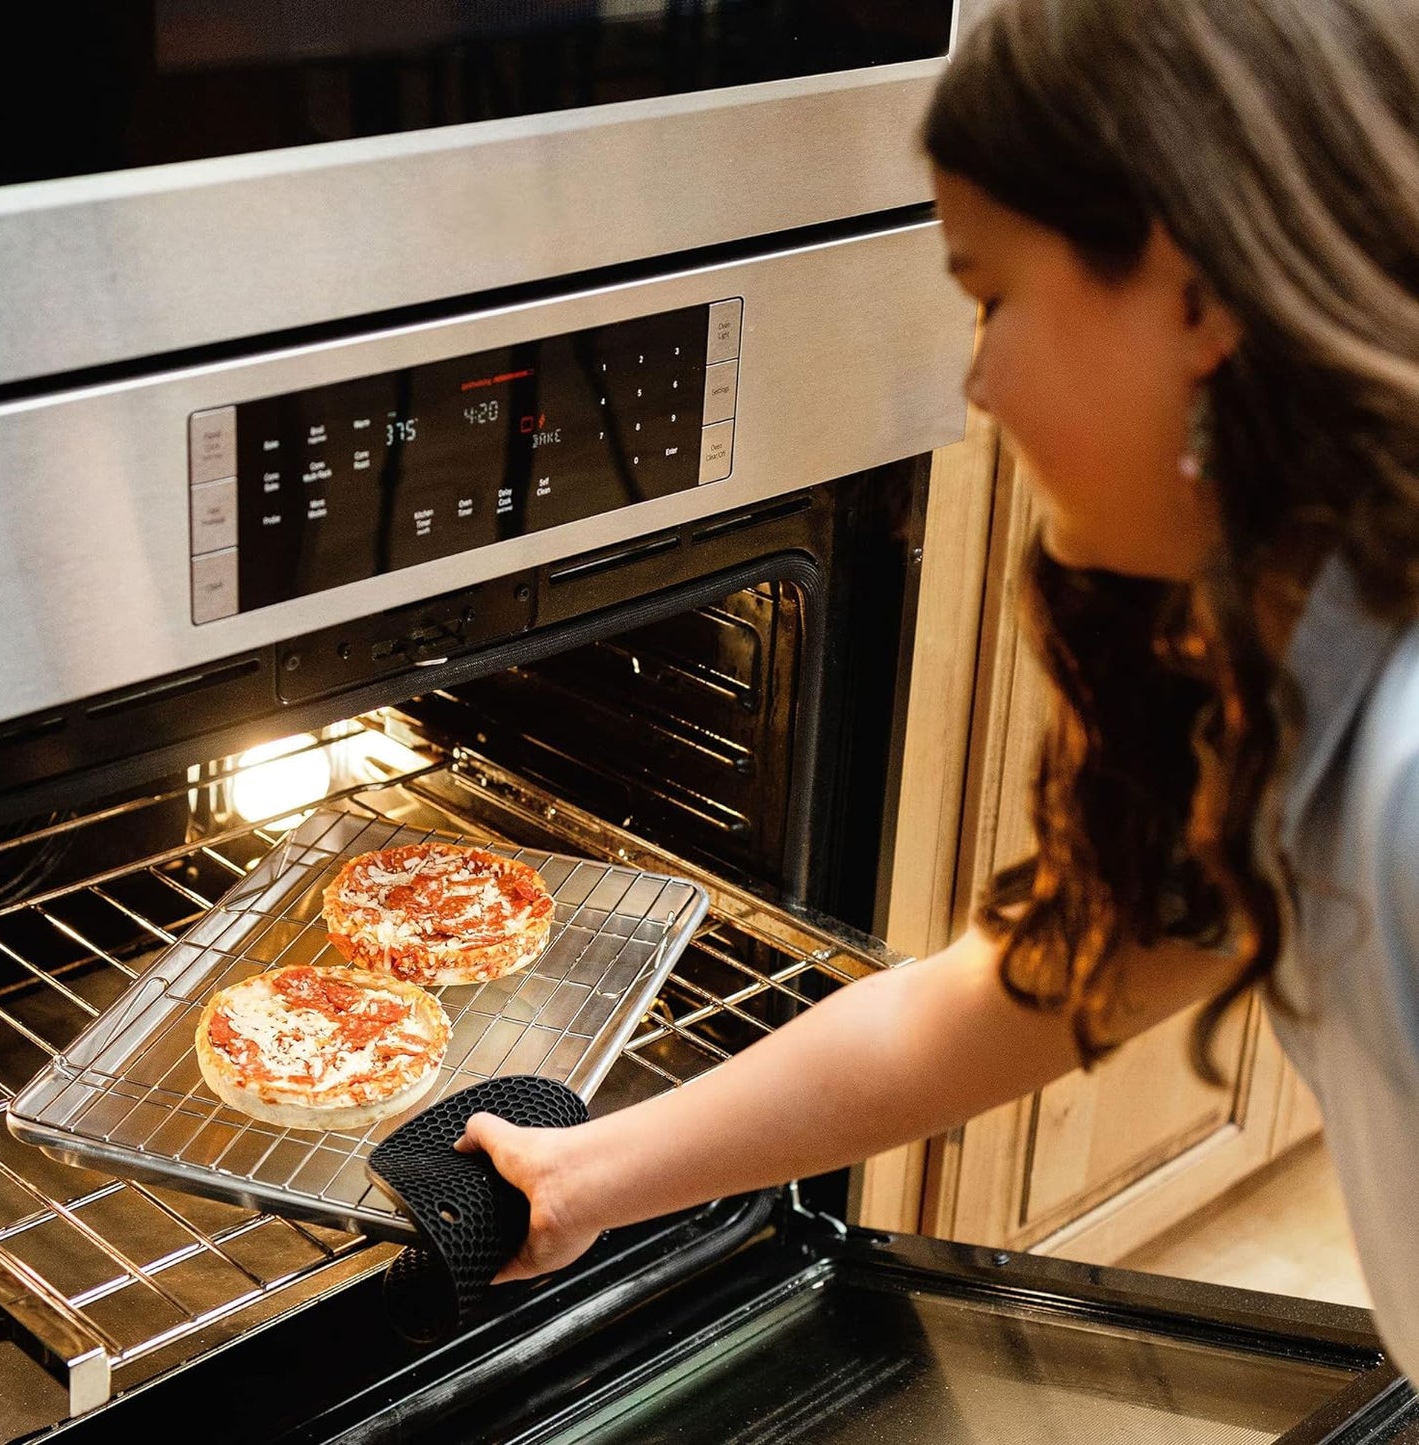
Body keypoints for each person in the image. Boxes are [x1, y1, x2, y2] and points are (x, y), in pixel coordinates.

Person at [458, 0, 1419, 1380]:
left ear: (1195, 290)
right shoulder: (1297, 688)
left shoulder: (1399, 777)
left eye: (990, 297)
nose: (977, 383)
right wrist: (588, 1170)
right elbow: (1004, 995)